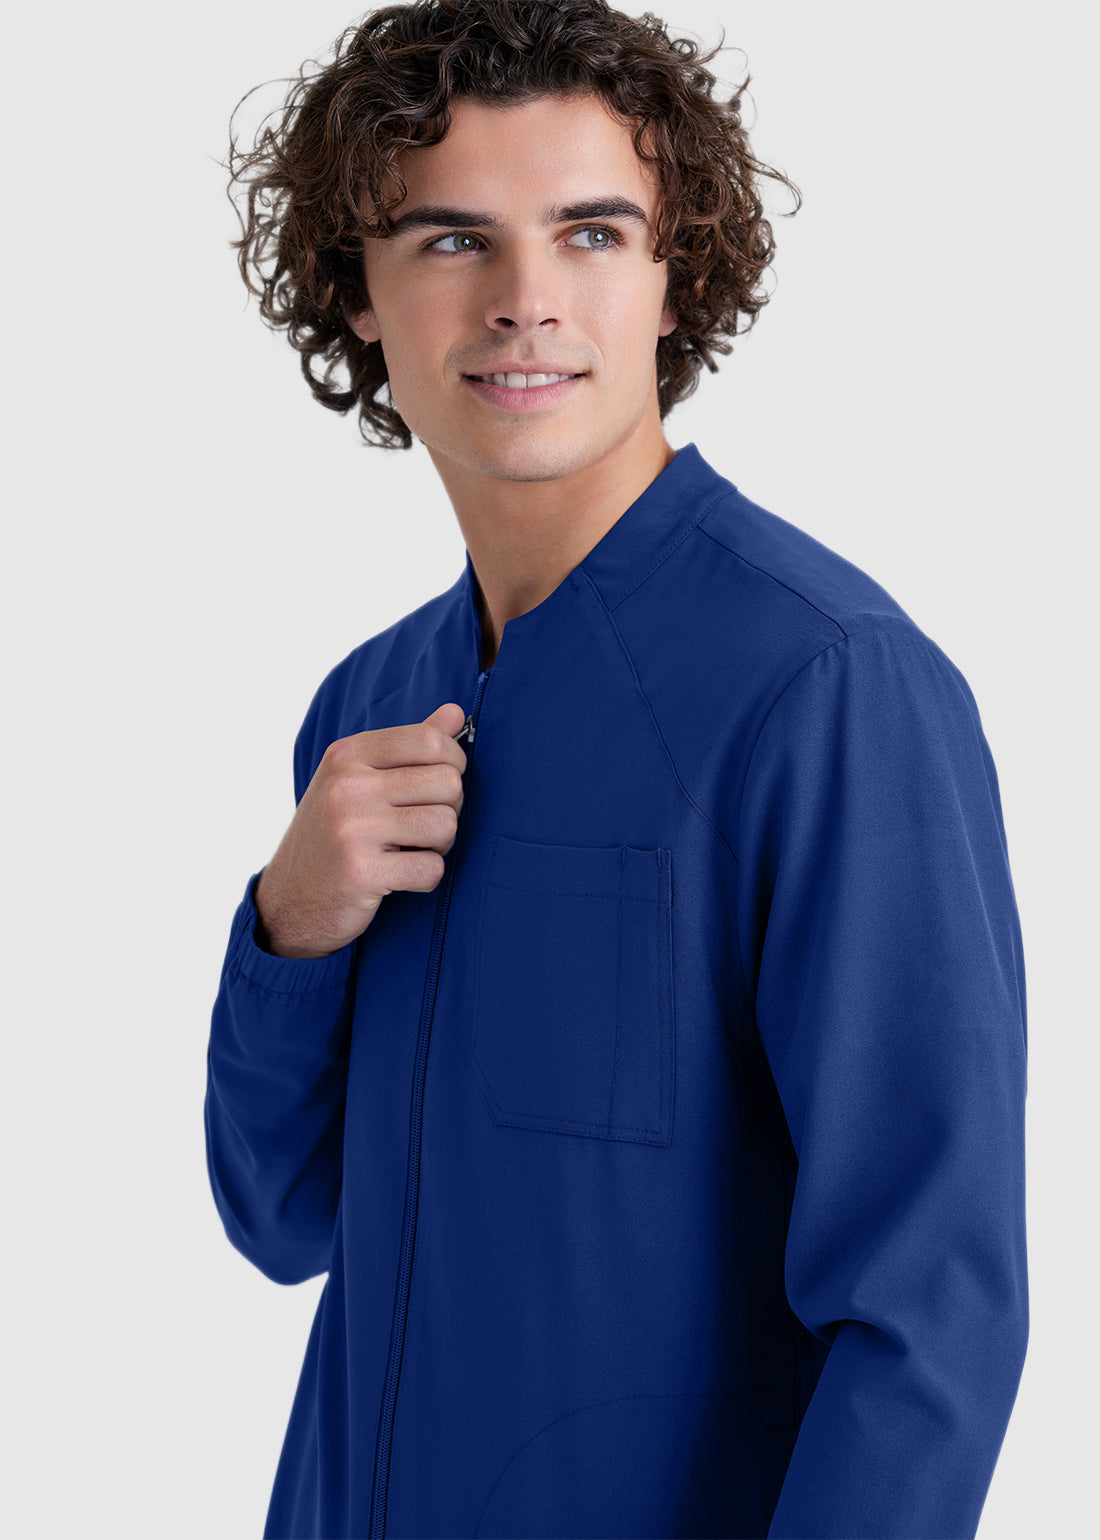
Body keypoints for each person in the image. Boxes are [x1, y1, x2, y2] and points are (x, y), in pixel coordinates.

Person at [203, 2, 1029, 1536]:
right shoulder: (369, 708)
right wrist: (289, 928)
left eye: (591, 233)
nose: (526, 301)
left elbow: (932, 1317)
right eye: (453, 240)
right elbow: (282, 1215)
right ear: (359, 292)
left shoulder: (830, 689)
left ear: (673, 278)